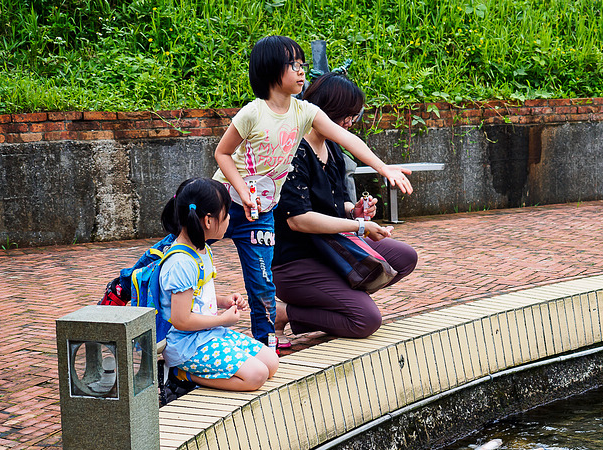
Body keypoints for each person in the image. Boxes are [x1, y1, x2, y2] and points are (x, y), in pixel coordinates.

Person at [212, 36, 412, 346]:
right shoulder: (258, 117)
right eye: (293, 65)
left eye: (302, 64)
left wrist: (382, 168)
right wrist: (242, 191)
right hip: (233, 204)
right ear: (271, 71)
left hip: (276, 220)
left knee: (261, 281)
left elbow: (349, 142)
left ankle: (270, 337)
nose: (301, 70)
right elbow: (223, 153)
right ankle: (143, 281)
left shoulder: (308, 117)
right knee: (184, 246)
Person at [273, 73, 418, 339]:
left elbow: (337, 201)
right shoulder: (293, 151)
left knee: (405, 257)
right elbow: (298, 220)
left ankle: (340, 298)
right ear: (326, 110)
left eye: (354, 116)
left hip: (334, 248)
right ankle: (284, 312)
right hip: (298, 260)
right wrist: (360, 226)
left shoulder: (332, 148)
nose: (350, 122)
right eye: (346, 115)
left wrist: (355, 210)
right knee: (365, 320)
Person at [159, 178, 279, 394]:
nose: (230, 219)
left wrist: (224, 301)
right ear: (208, 220)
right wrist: (223, 320)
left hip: (209, 333)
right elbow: (181, 319)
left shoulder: (201, 249)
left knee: (271, 362)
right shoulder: (181, 263)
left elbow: (195, 297)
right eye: (226, 214)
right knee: (256, 376)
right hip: (188, 345)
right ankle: (179, 374)